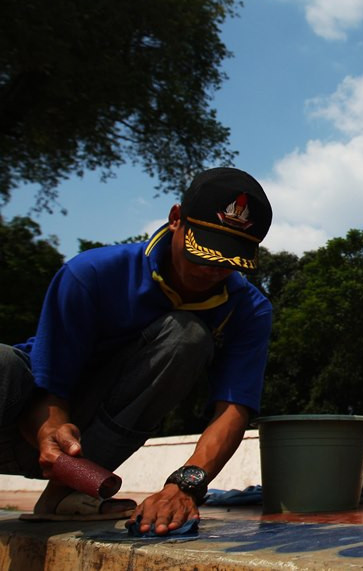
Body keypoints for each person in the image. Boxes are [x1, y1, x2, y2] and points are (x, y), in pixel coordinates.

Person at [0, 167, 273, 535]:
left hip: (89, 450)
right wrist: (50, 430)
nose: (211, 269)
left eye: (226, 260)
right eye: (202, 253)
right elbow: (50, 386)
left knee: (186, 336)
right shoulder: (93, 273)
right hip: (28, 414)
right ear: (176, 219)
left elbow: (233, 409)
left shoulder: (248, 309)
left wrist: (184, 485)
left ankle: (67, 493)